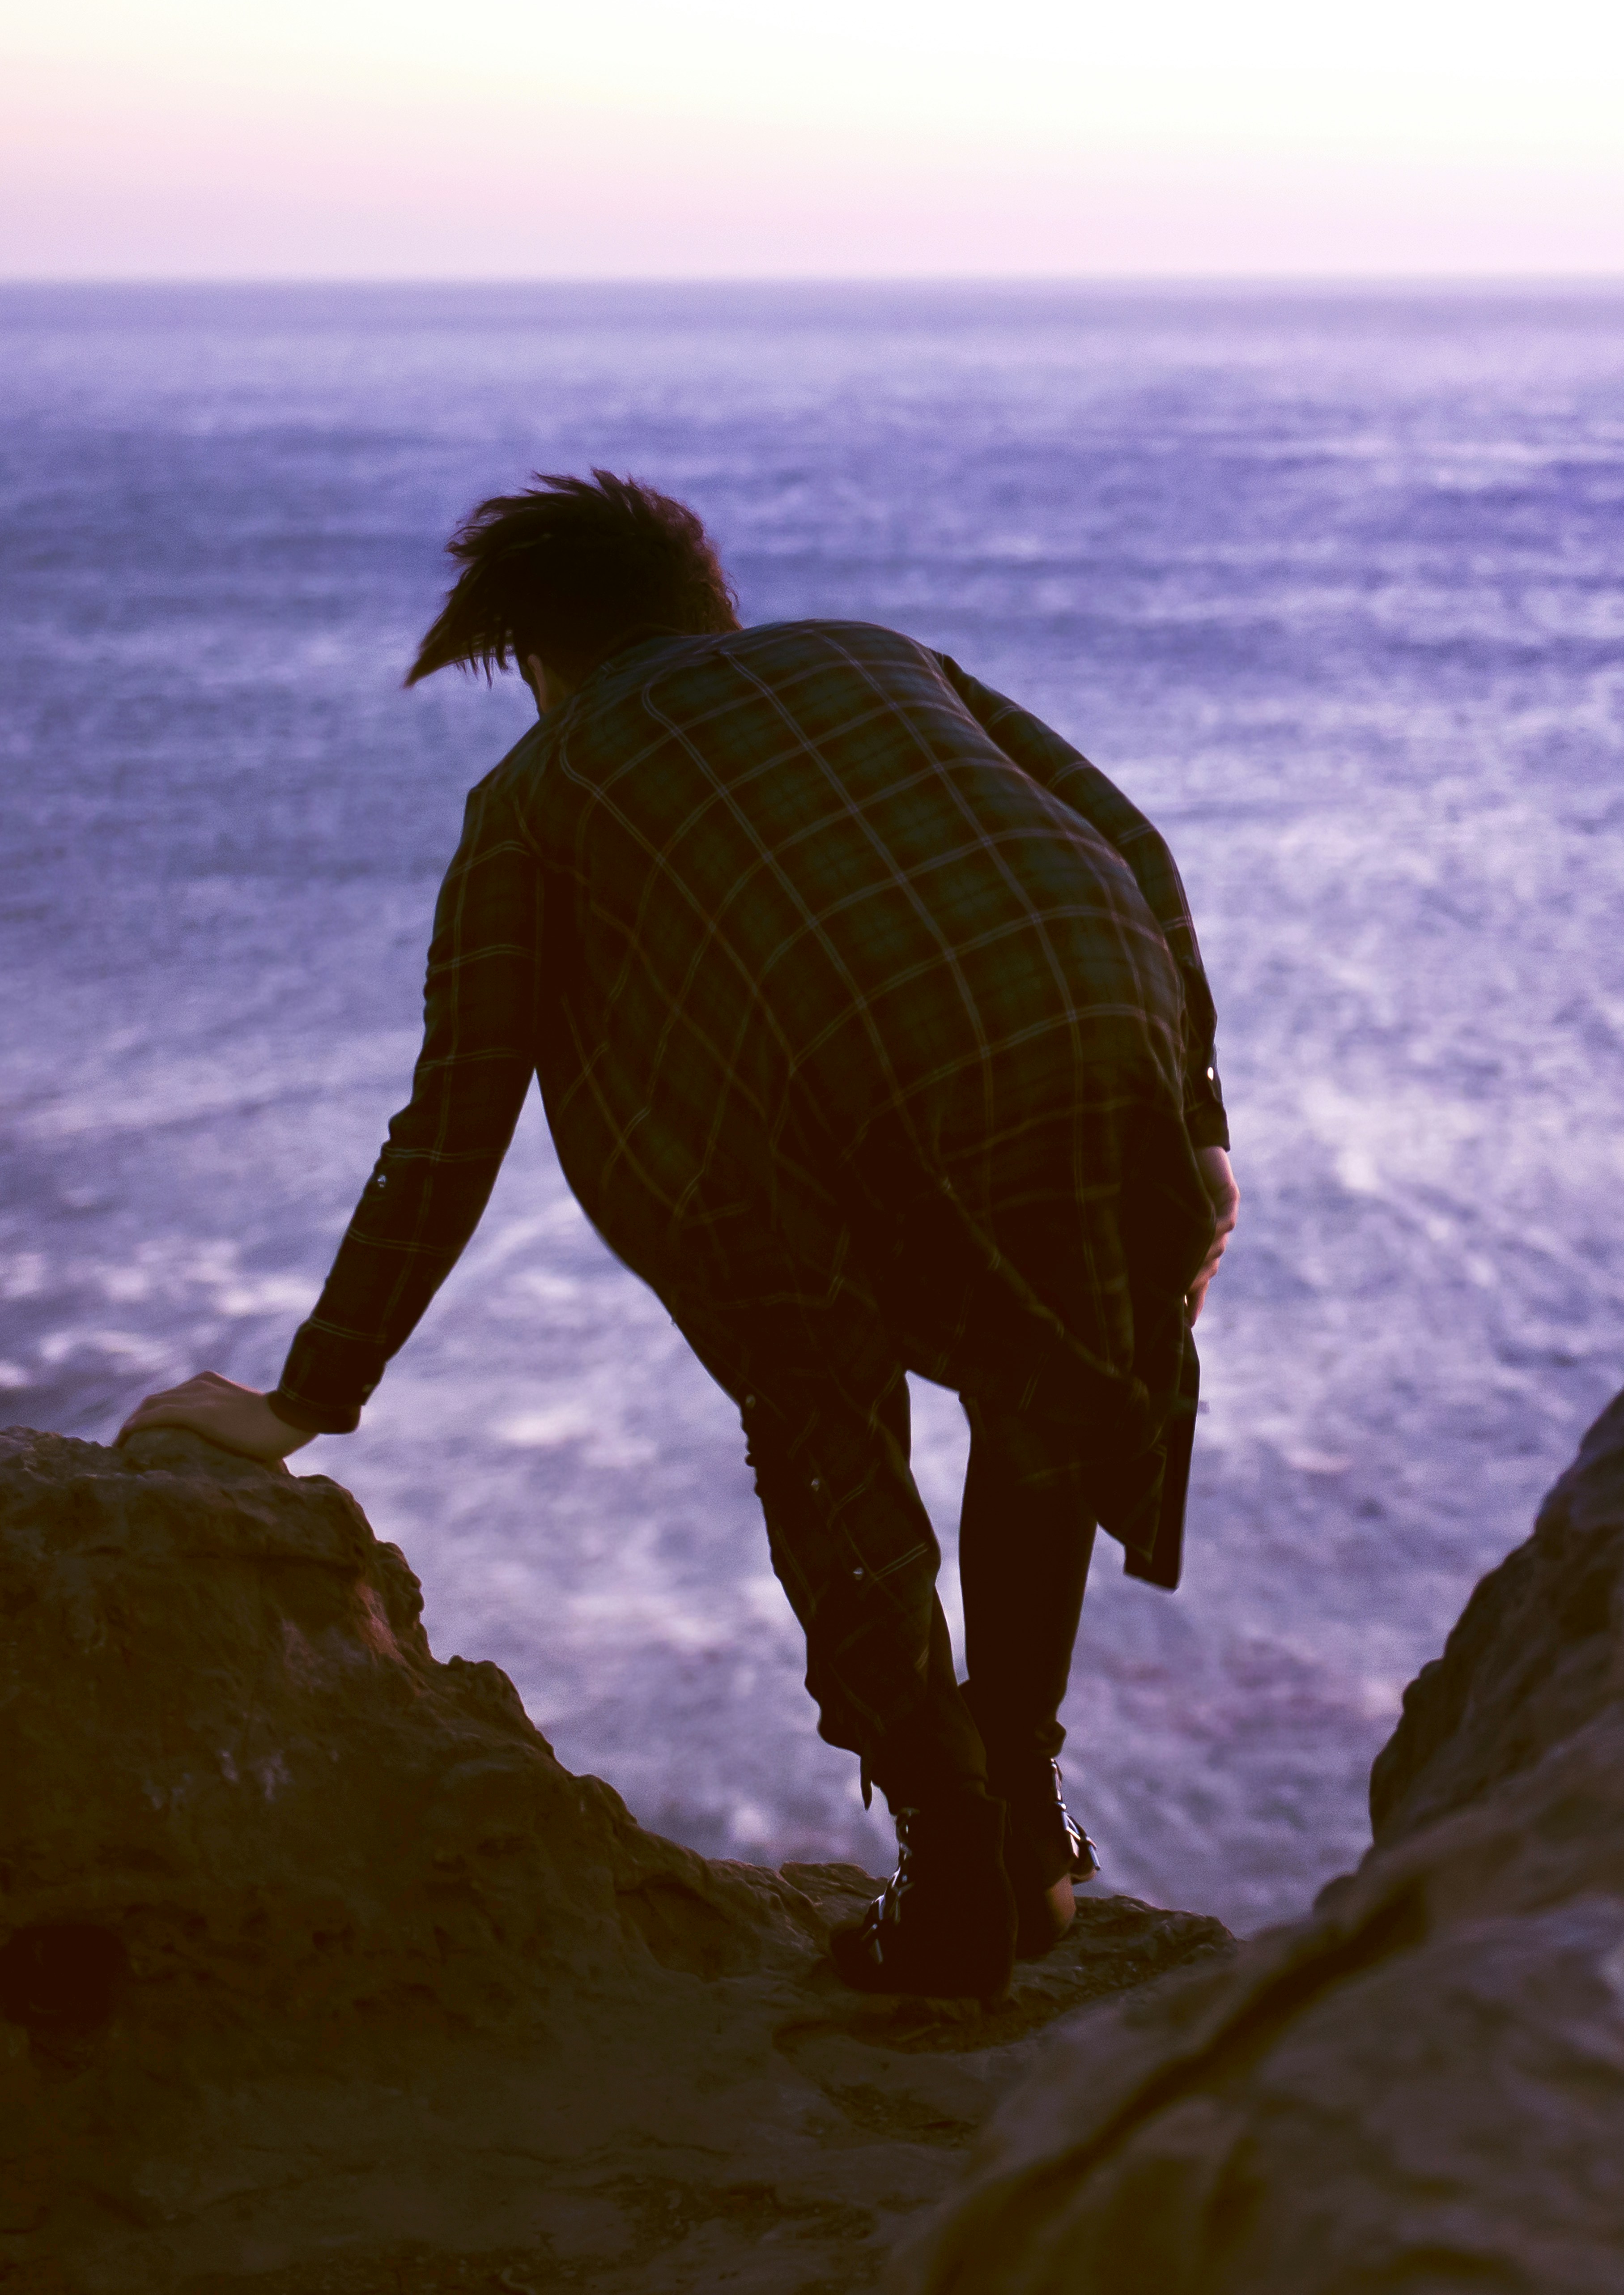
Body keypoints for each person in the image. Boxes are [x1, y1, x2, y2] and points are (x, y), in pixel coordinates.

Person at [123, 471, 1236, 2002]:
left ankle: (956, 1868)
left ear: (537, 659)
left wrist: (307, 1396)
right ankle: (1027, 1809)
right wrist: (1199, 1118)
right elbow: (1130, 840)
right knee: (1036, 1388)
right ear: (711, 596)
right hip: (1092, 1016)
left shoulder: (540, 793)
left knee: (823, 1424)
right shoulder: (878, 653)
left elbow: (454, 1124)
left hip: (823, 1101)